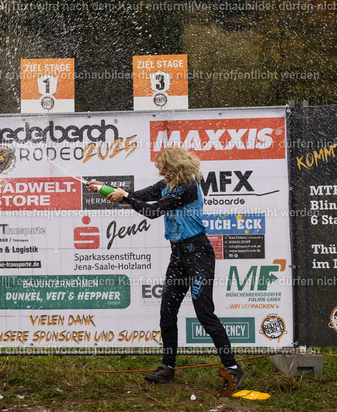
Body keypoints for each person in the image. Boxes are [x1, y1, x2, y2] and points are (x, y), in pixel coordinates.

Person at [86, 146, 246, 394]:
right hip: (179, 256)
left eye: (164, 168)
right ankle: (168, 366)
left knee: (204, 312)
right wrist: (105, 188)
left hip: (198, 254)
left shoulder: (188, 187)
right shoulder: (166, 184)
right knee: (167, 313)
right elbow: (136, 195)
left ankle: (233, 368)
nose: (161, 172)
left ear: (176, 167)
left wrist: (126, 198)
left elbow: (152, 211)